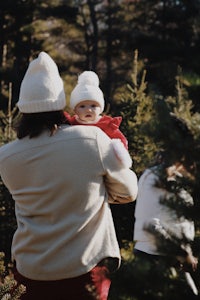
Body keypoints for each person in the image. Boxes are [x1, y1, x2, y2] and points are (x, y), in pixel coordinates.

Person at [0, 51, 138, 300]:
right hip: (85, 268)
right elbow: (129, 192)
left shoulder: (6, 156)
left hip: (29, 272)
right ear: (61, 102)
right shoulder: (93, 139)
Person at [133, 149, 199, 298]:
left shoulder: (175, 180)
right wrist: (183, 253)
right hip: (154, 259)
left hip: (171, 259)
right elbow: (150, 225)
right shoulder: (154, 178)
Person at [65, 70, 132, 168]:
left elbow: (121, 140)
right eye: (82, 106)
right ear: (74, 109)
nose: (88, 110)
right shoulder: (72, 124)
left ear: (101, 108)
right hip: (77, 161)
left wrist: (121, 156)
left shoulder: (105, 124)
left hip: (101, 162)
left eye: (93, 106)